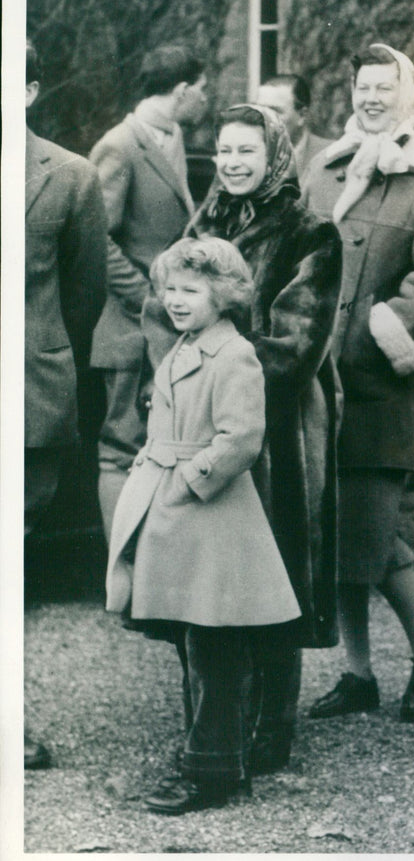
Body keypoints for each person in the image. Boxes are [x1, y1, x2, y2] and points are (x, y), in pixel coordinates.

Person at [142, 103, 342, 776]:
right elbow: (165, 308)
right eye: (223, 151)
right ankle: (216, 719)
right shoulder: (206, 222)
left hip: (278, 430)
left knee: (273, 568)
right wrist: (183, 384)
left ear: (274, 157)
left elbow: (294, 342)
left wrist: (222, 379)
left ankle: (269, 729)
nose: (230, 163)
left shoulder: (312, 231)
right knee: (207, 572)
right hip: (205, 416)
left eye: (245, 153)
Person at [107, 237, 302, 814]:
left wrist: (190, 479)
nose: (176, 300)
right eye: (170, 289)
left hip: (209, 515)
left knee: (214, 645)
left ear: (224, 297)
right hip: (176, 507)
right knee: (192, 643)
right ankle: (214, 753)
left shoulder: (233, 353)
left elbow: (241, 437)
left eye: (191, 291)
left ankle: (213, 769)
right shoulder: (188, 345)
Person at [303, 44, 414, 721]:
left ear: (410, 94)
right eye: (364, 86)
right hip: (315, 388)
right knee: (336, 532)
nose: (372, 97)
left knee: (371, 533)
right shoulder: (327, 168)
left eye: (385, 87)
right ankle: (359, 672)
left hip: (376, 388)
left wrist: (378, 329)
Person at [24, 40, 108, 770]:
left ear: (27, 90)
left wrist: (39, 352)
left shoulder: (71, 177)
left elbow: (84, 296)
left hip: (26, 402)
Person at [89, 45, 208, 540]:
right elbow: (97, 238)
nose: (205, 99)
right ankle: (121, 578)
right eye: (203, 90)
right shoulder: (119, 145)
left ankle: (155, 577)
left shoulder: (174, 137)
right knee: (121, 448)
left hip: (168, 326)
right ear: (181, 91)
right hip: (130, 329)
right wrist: (146, 297)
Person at [256, 74, 331, 186]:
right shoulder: (244, 156)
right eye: (259, 110)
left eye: (274, 111)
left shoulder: (329, 155)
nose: (262, 119)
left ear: (302, 116)